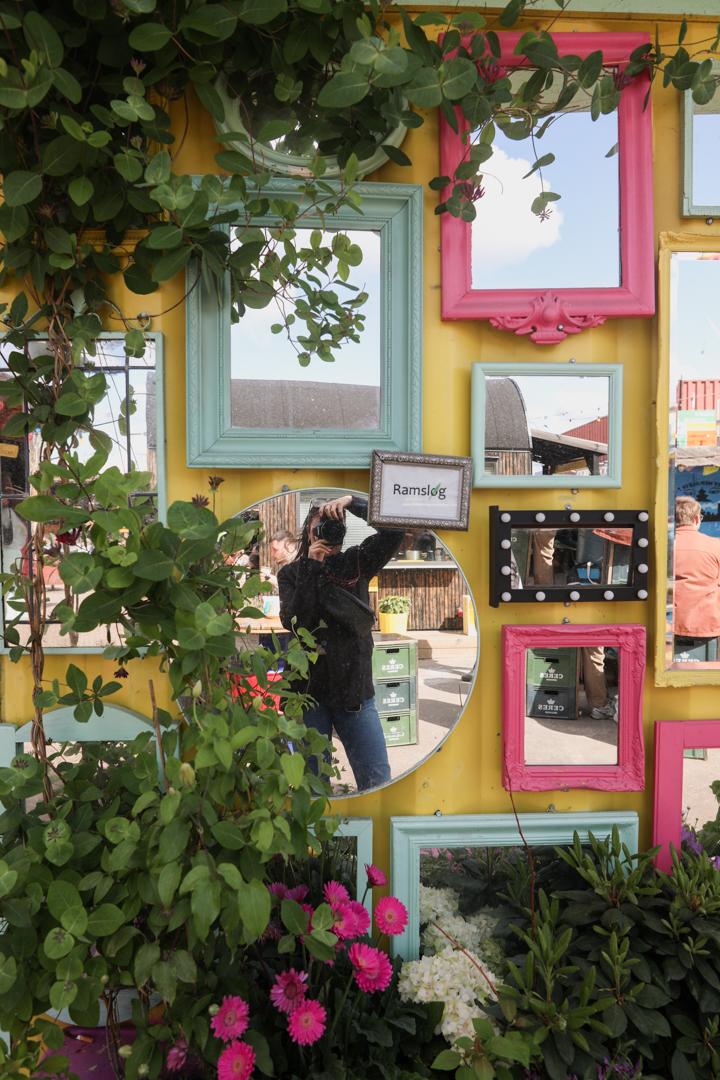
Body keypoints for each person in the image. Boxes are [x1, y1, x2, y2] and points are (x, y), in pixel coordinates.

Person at [278, 493, 403, 792]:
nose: (328, 532)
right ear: (309, 531)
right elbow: (296, 622)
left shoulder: (356, 563)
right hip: (309, 695)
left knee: (376, 781)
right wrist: (313, 565)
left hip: (354, 692)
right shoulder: (291, 574)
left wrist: (353, 503)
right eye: (320, 526)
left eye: (336, 525)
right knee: (312, 786)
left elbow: (394, 531)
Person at [673, 495, 720, 661]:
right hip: (706, 624)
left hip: (667, 622)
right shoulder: (716, 545)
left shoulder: (663, 544)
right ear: (696, 519)